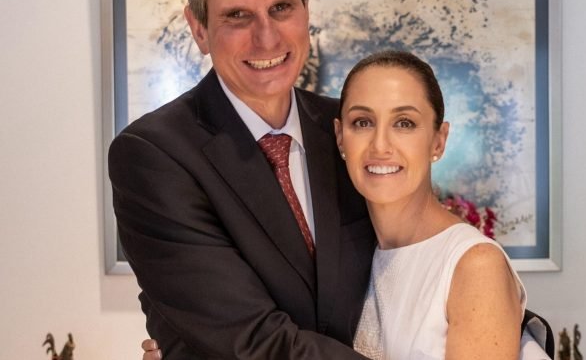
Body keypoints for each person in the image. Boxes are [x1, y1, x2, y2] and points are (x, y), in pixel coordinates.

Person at [142, 50, 553, 360]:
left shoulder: (474, 266)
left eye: (404, 123)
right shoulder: (349, 256)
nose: (380, 145)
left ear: (438, 141)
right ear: (340, 138)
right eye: (363, 122)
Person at [109, 0, 374, 359]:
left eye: (281, 8)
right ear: (199, 29)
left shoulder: (351, 128)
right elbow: (252, 343)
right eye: (237, 16)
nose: (266, 37)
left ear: (306, 11)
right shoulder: (153, 155)